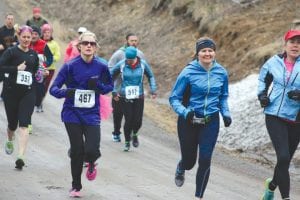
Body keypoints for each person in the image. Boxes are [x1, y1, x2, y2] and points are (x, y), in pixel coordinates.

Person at [50, 31, 113, 198]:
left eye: (92, 44)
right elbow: (53, 89)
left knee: (92, 149)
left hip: (92, 113)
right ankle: (76, 186)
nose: (89, 46)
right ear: (79, 46)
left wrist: (98, 86)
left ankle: (91, 162)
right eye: (85, 43)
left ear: (96, 47)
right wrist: (68, 92)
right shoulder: (70, 66)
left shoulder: (101, 66)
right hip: (72, 114)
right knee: (77, 150)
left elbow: (110, 86)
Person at [169, 37, 232, 199]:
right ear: (197, 53)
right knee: (190, 162)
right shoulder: (188, 72)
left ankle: (198, 196)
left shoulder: (221, 72)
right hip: (188, 121)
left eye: (210, 50)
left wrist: (225, 113)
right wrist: (186, 112)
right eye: (203, 50)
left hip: (210, 121)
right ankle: (182, 166)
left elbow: (223, 96)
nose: (207, 53)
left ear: (214, 52)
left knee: (205, 159)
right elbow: (174, 98)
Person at [258, 30, 300, 200]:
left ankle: (272, 185)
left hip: (296, 119)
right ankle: (286, 198)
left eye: (299, 42)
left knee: (285, 161)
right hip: (274, 115)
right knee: (282, 156)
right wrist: (262, 96)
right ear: (285, 44)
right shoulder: (273, 62)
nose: (295, 45)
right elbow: (263, 80)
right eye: (292, 42)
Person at [0, 25, 39, 170]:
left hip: (28, 93)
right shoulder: (11, 52)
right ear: (19, 37)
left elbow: (35, 73)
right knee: (12, 125)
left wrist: (42, 74)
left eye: (29, 37)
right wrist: (16, 69)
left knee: (24, 123)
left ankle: (21, 156)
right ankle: (10, 138)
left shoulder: (33, 55)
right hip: (11, 92)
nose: (27, 39)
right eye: (24, 37)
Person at [110, 46, 157, 151]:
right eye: (128, 59)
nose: (129, 62)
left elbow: (151, 76)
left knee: (138, 121)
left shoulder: (143, 64)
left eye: (131, 60)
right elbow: (111, 75)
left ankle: (134, 134)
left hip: (139, 96)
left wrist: (153, 89)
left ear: (136, 57)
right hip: (124, 95)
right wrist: (113, 90)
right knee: (128, 120)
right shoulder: (122, 64)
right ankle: (127, 142)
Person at [108, 33, 146, 142]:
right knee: (118, 113)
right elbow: (110, 68)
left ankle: (131, 133)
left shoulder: (140, 54)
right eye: (132, 40)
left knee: (133, 115)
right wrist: (121, 73)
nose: (134, 42)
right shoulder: (119, 54)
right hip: (119, 89)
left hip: (134, 91)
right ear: (126, 41)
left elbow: (144, 68)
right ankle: (116, 132)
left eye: (135, 40)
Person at [30, 25, 53, 113]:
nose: (34, 36)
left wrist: (44, 65)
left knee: (40, 89)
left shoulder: (43, 44)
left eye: (36, 34)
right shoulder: (26, 42)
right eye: (32, 34)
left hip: (39, 71)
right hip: (28, 70)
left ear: (39, 35)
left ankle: (39, 103)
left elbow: (50, 58)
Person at [0, 13, 17, 100]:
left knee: (7, 77)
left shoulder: (16, 31)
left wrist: (16, 43)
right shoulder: (1, 30)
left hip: (11, 58)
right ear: (5, 20)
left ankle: (3, 96)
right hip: (1, 56)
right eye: (8, 19)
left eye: (11, 19)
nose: (10, 21)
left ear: (13, 21)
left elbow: (19, 43)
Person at [41, 23, 61, 97]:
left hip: (50, 69)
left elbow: (58, 56)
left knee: (45, 86)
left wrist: (50, 59)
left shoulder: (55, 44)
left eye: (48, 32)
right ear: (42, 33)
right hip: (38, 67)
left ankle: (41, 100)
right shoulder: (39, 42)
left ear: (51, 34)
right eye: (45, 32)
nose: (47, 34)